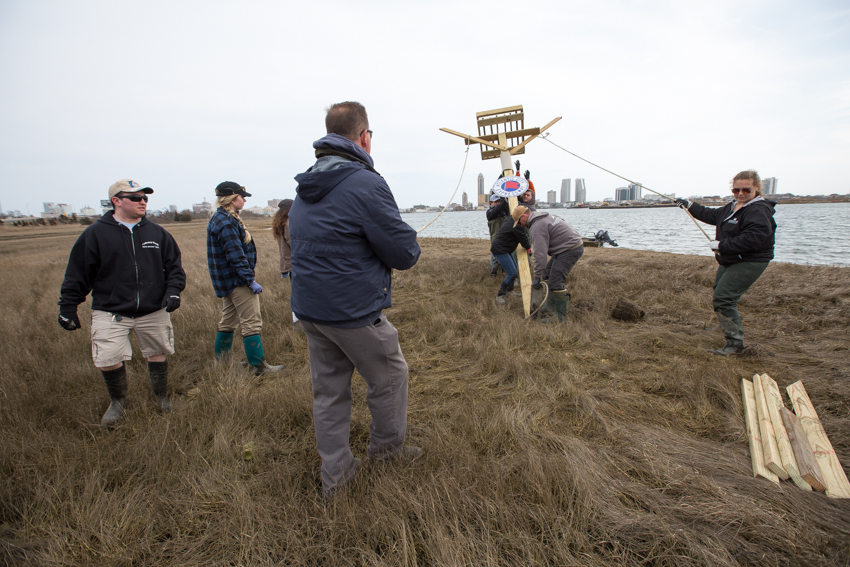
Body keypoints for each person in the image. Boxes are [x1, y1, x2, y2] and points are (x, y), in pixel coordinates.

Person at [290, 101, 422, 498]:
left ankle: (337, 478)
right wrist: (409, 240)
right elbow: (403, 253)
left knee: (329, 394)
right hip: (352, 312)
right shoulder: (366, 183)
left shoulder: (305, 185)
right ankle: (387, 455)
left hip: (311, 311)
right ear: (364, 137)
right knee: (391, 377)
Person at [58, 179, 186, 427]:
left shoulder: (157, 233)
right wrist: (67, 307)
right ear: (116, 201)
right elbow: (78, 274)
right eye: (136, 198)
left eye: (145, 198)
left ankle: (161, 397)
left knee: (158, 353)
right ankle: (118, 402)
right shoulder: (95, 234)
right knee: (108, 358)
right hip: (111, 311)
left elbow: (174, 269)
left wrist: (173, 292)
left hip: (153, 309)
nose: (143, 202)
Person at [675, 170, 776, 355]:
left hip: (750, 261)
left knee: (724, 299)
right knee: (721, 296)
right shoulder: (733, 206)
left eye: (746, 190)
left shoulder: (758, 210)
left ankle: (735, 345)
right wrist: (690, 205)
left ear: (756, 188)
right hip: (730, 259)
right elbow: (713, 216)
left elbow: (754, 239)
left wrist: (722, 244)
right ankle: (729, 326)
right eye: (736, 190)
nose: (740, 194)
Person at [207, 181, 284, 374]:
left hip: (227, 280)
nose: (244, 199)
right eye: (242, 196)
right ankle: (258, 366)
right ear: (232, 199)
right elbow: (235, 254)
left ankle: (222, 362)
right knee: (252, 322)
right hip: (237, 281)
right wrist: (249, 280)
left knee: (228, 320)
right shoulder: (226, 221)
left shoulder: (222, 218)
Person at [518, 207, 584, 322]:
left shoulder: (537, 227)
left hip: (570, 249)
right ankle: (550, 307)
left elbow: (540, 255)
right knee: (547, 273)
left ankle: (560, 317)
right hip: (565, 247)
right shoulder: (543, 217)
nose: (521, 225)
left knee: (556, 281)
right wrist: (542, 274)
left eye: (519, 222)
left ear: (524, 216)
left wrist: (537, 277)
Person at [491, 205, 532, 304]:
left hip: (505, 249)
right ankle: (499, 296)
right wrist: (528, 248)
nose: (528, 221)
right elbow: (524, 241)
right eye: (528, 217)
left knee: (514, 270)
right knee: (512, 273)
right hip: (500, 251)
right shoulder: (517, 227)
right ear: (522, 216)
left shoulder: (510, 218)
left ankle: (509, 291)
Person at [271, 198, 300, 330]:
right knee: (299, 294)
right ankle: (298, 322)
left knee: (297, 293)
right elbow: (293, 244)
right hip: (294, 264)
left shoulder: (280, 223)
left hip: (289, 265)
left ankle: (298, 321)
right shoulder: (288, 224)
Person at [486, 193, 509, 277]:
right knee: (496, 254)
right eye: (495, 202)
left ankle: (504, 271)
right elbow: (496, 210)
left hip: (505, 236)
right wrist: (504, 202)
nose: (498, 203)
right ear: (490, 203)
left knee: (506, 253)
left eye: (499, 201)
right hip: (495, 236)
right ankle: (494, 271)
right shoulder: (490, 212)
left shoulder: (504, 210)